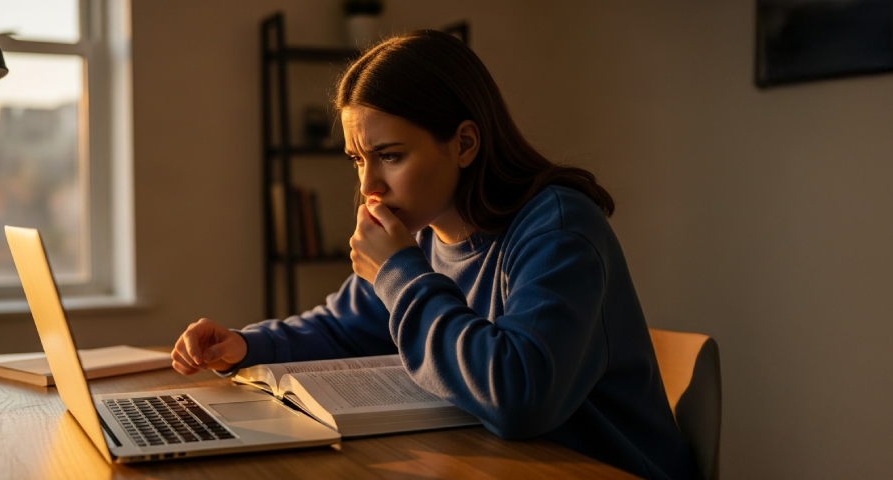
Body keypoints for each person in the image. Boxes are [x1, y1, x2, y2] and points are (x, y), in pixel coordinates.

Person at [171, 30, 697, 480]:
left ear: (464, 144)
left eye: (391, 157)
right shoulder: (422, 236)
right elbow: (343, 328)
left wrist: (399, 274)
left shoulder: (558, 229)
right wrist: (243, 344)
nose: (369, 186)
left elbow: (518, 397)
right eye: (358, 160)